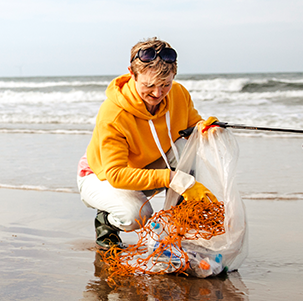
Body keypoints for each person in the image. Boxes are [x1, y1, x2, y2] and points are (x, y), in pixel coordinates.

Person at [77, 38, 219, 249]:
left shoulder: (179, 94)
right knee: (137, 215)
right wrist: (173, 179)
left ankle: (177, 226)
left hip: (147, 167)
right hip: (101, 177)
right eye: (149, 85)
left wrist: (208, 129)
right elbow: (115, 174)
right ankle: (106, 222)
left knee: (190, 146)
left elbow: (192, 127)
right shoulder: (113, 114)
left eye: (165, 85)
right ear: (132, 74)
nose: (157, 93)